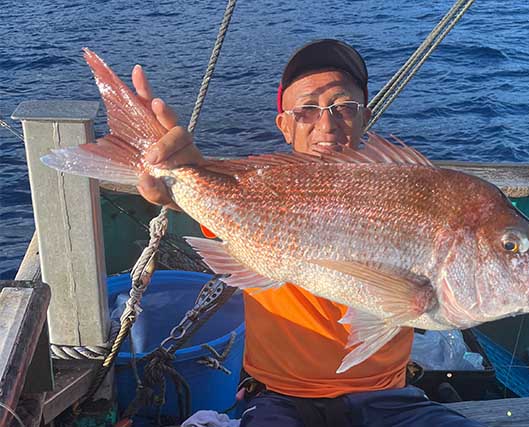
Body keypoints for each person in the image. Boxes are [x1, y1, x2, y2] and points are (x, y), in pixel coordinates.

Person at [131, 39, 484, 427]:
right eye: (306, 110)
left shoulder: (408, 190)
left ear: (365, 117)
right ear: (284, 125)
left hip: (388, 398)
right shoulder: (254, 189)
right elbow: (204, 191)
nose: (327, 125)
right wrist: (170, 173)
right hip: (279, 400)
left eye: (344, 108)